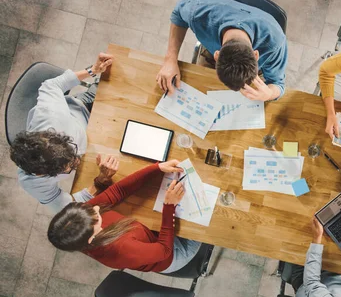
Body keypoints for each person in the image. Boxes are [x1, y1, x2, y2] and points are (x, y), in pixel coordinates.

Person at [47, 160, 202, 273]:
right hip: (175, 252)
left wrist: (156, 168)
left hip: (154, 235)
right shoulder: (121, 249)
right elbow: (164, 251)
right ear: (90, 237)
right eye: (96, 216)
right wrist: (169, 207)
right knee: (204, 218)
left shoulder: (82, 217)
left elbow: (116, 192)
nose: (94, 207)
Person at [10, 53, 118, 213]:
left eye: (71, 151)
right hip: (94, 150)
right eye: (68, 167)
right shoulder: (32, 182)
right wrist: (99, 181)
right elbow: (68, 208)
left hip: (84, 107)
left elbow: (51, 85)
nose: (76, 162)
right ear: (43, 174)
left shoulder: (50, 113)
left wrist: (93, 70)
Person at [157, 0, 288, 101]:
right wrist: (170, 59)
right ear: (216, 56)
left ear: (256, 55)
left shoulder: (274, 42)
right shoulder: (198, 11)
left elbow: (278, 83)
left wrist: (269, 93)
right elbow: (178, 14)